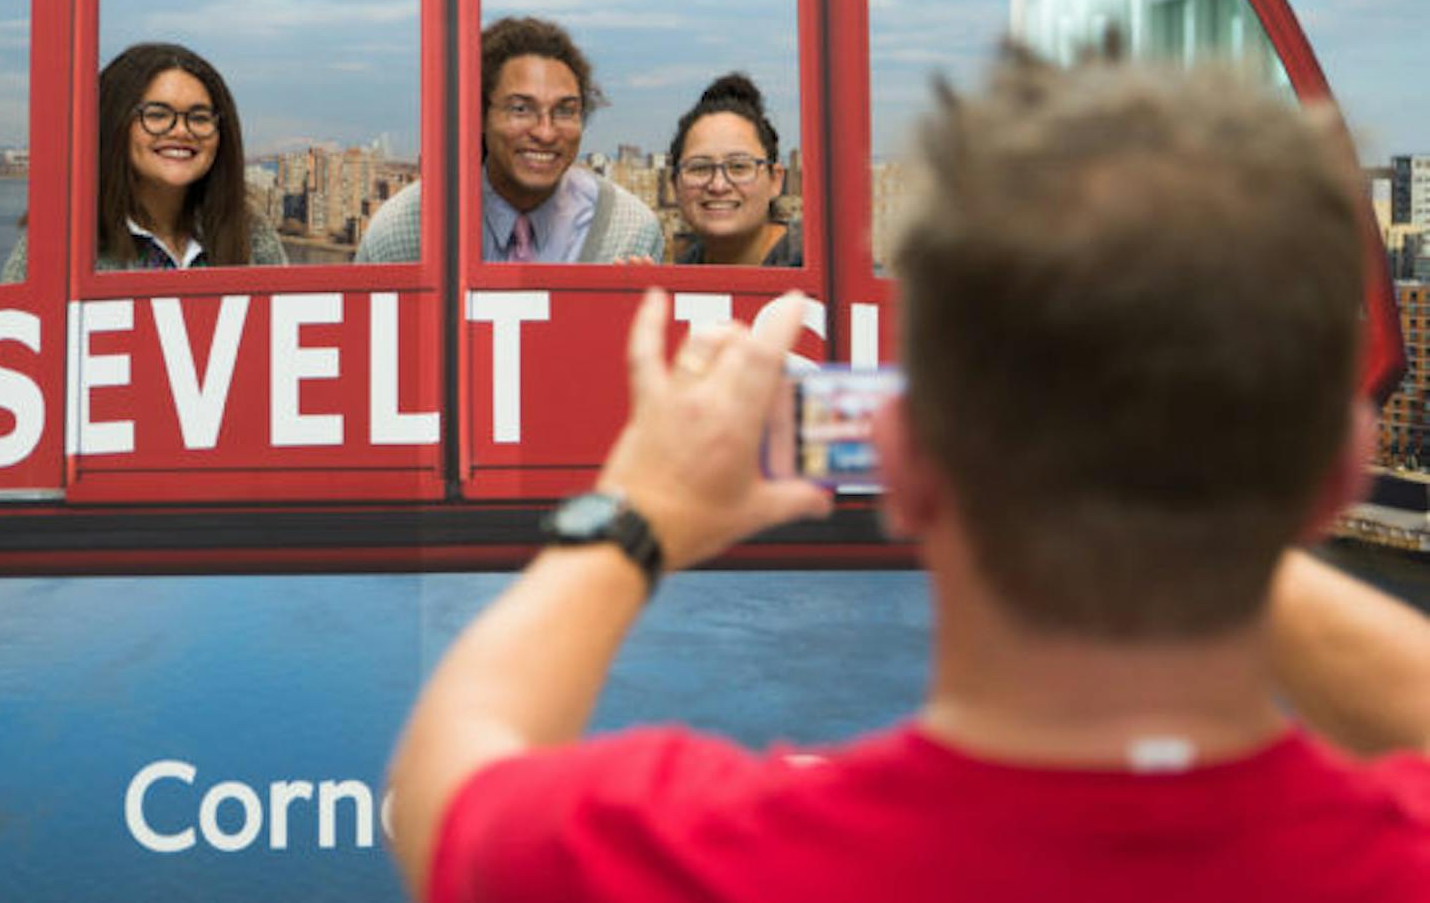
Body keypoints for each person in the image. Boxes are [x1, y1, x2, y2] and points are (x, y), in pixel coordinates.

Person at [389, 50, 1430, 902]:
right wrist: (1199, 521)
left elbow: (444, 784)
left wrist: (633, 517)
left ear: (906, 456)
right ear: (1334, 473)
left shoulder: (713, 856)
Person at [355, 16, 664, 264]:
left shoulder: (628, 231)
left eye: (565, 111)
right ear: (478, 115)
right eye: (520, 109)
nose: (545, 132)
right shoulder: (403, 231)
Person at [1, 42, 284, 277]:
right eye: (157, 115)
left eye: (199, 118)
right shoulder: (58, 245)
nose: (182, 131)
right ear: (114, 124)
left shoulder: (251, 234)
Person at [668, 72, 800, 267]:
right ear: (674, 184)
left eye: (738, 167)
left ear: (775, 180)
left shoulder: (815, 263)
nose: (718, 185)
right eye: (700, 168)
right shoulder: (687, 269)